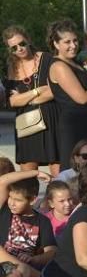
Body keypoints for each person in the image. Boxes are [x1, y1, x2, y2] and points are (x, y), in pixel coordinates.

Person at [46, 21, 87, 172]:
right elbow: (82, 97)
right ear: (56, 44)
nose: (73, 45)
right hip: (76, 128)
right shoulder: (59, 66)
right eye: (67, 42)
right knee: (75, 174)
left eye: (75, 40)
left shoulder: (77, 63)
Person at [3, 26, 59, 173]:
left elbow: (54, 91)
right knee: (27, 180)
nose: (19, 49)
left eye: (22, 43)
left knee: (59, 177)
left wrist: (26, 98)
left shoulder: (47, 59)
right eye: (14, 48)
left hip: (51, 122)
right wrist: (37, 91)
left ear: (28, 39)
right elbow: (13, 102)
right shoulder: (11, 68)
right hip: (25, 123)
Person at [0, 169, 56, 277]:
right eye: (10, 197)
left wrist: (34, 259)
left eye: (18, 200)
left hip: (25, 272)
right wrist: (36, 173)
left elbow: (52, 251)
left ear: (32, 200)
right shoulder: (4, 210)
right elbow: (2, 181)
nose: (12, 203)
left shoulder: (42, 221)